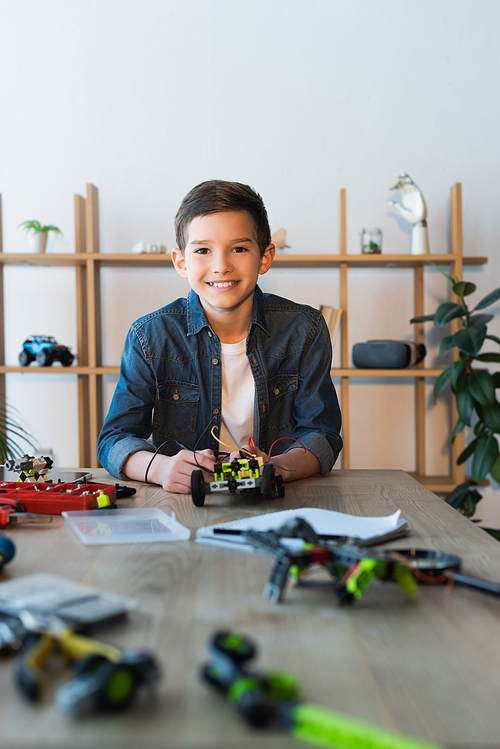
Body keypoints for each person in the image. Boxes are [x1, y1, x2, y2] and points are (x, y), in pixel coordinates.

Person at [97, 180, 342, 493]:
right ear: (181, 262)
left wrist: (278, 467)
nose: (221, 266)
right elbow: (114, 439)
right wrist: (162, 468)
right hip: (184, 502)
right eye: (203, 250)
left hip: (279, 499)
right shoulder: (149, 336)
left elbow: (321, 434)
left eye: (239, 249)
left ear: (265, 257)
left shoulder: (304, 329)